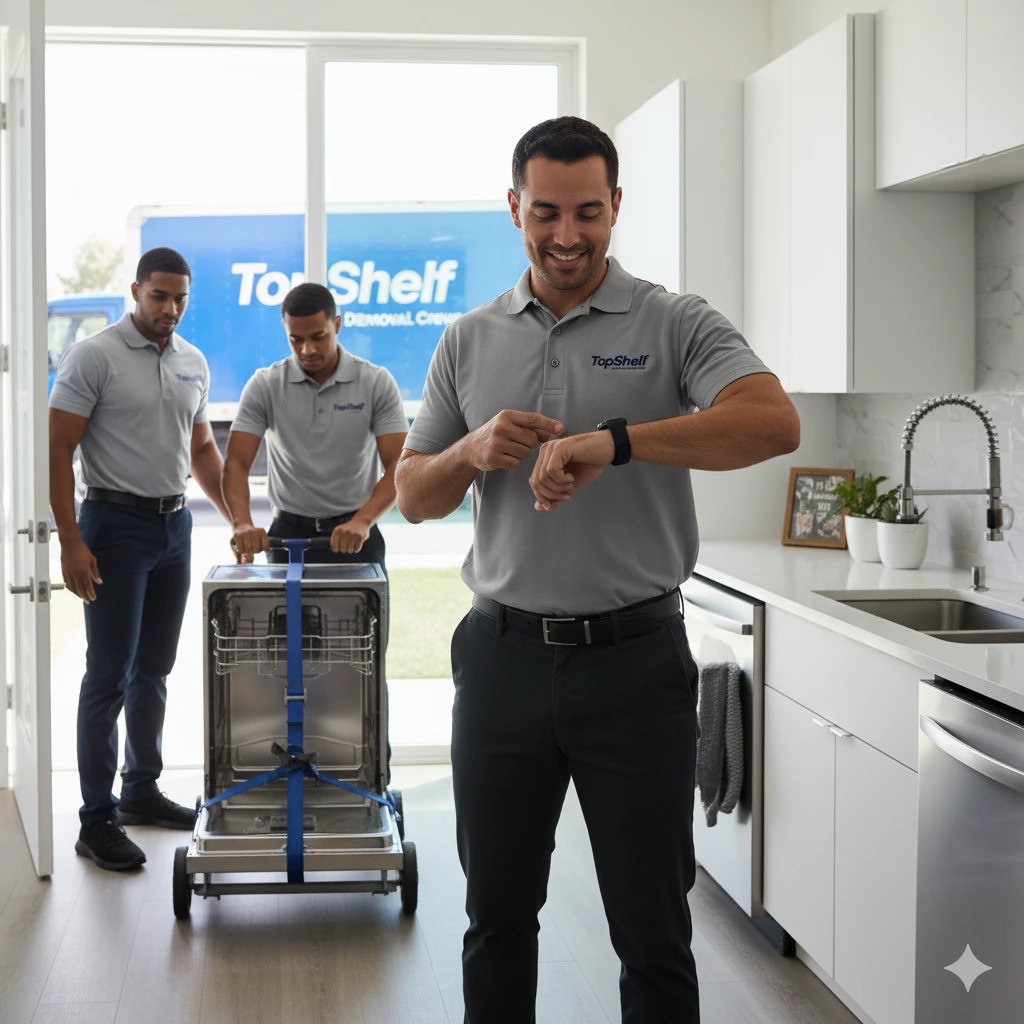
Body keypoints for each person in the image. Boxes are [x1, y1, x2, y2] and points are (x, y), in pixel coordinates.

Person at [394, 116, 801, 1023]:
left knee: (652, 933)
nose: (567, 235)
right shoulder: (467, 339)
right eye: (546, 212)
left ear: (616, 206)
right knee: (496, 919)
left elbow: (773, 422)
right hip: (501, 663)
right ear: (514, 209)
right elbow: (412, 495)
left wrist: (616, 441)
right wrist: (473, 448)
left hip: (636, 664)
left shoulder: (674, 321)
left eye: (588, 211)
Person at [50, 246, 230, 872]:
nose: (170, 309)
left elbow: (203, 447)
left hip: (173, 525)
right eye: (159, 296)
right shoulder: (93, 356)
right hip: (112, 525)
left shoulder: (193, 362)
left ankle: (140, 791)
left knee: (154, 667)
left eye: (180, 298)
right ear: (135, 291)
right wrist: (70, 540)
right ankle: (95, 820)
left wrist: (235, 517)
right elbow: (57, 451)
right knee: (108, 676)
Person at [223, 282, 408, 571]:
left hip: (356, 533)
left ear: (336, 324)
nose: (307, 349)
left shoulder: (375, 382)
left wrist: (363, 520)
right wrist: (242, 523)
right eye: (295, 339)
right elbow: (236, 463)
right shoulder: (265, 384)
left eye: (318, 337)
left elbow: (400, 463)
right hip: (286, 536)